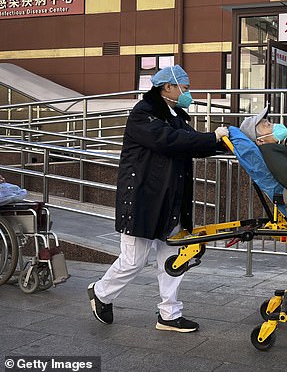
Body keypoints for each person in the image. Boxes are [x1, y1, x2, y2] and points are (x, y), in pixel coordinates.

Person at [88, 65, 229, 333]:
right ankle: (101, 293)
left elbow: (187, 141)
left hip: (170, 199)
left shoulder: (174, 115)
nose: (188, 93)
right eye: (184, 88)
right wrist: (212, 137)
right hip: (142, 199)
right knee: (133, 261)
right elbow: (170, 141)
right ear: (168, 87)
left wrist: (220, 142)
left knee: (173, 258)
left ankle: (169, 314)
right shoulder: (143, 114)